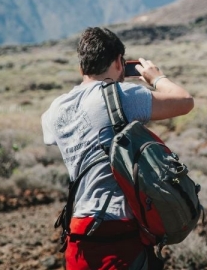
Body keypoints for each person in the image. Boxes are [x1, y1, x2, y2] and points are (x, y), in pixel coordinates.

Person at [41, 27, 195, 270]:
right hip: (119, 233)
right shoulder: (120, 94)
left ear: (82, 67)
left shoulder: (56, 109)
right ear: (118, 62)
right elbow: (185, 102)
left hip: (78, 233)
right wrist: (156, 78)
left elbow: (52, 135)